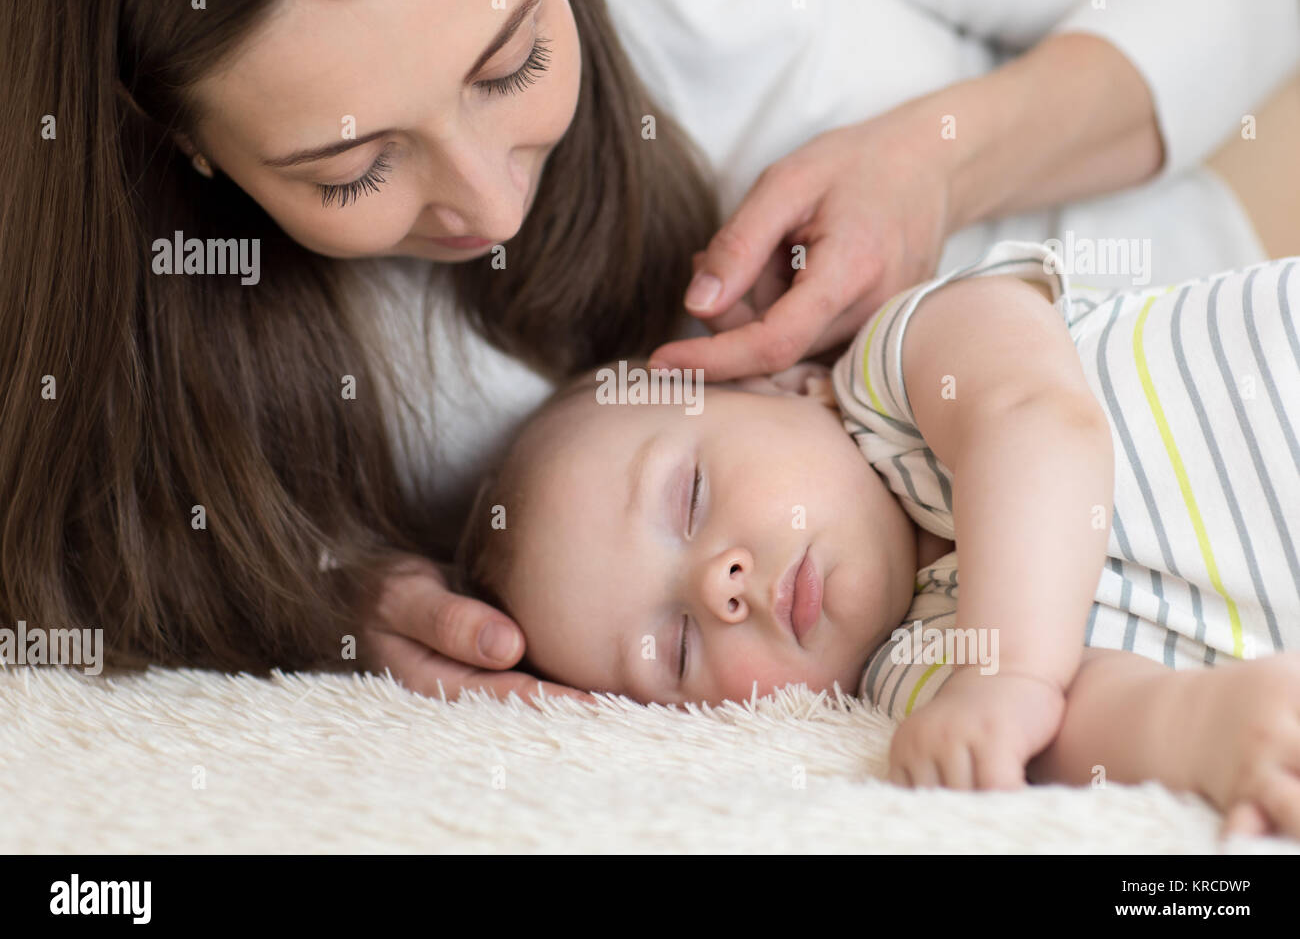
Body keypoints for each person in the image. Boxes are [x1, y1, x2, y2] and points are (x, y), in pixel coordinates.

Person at [1, 0, 1296, 704]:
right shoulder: (185, 345)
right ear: (186, 143)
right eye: (352, 171)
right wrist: (304, 595)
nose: (490, 203)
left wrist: (947, 155)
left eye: (512, 61)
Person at [454, 239, 1300, 838]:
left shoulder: (898, 368)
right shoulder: (909, 679)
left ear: (783, 383)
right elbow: (1070, 722)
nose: (722, 587)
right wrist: (1205, 727)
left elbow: (1035, 418)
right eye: (675, 648)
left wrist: (1007, 673)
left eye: (690, 497)